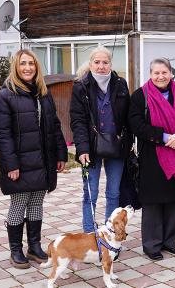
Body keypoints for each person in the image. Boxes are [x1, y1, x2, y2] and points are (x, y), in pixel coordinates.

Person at [0, 49, 68, 268]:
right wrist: (11, 164)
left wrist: (60, 153)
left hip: (42, 160)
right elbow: (2, 135)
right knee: (18, 204)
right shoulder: (5, 96)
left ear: (37, 67)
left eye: (31, 64)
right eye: (23, 63)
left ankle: (34, 246)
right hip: (19, 162)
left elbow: (54, 126)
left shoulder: (43, 93)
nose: (28, 68)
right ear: (15, 67)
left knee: (37, 203)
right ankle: (15, 250)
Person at [128, 58, 175, 261]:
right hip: (152, 154)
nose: (160, 76)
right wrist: (164, 137)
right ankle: (151, 245)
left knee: (173, 200)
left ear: (171, 73)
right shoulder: (140, 96)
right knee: (152, 202)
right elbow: (136, 124)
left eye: (164, 72)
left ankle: (170, 241)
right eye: (156, 73)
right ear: (150, 74)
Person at [70, 46, 132, 233]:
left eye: (105, 62)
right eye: (97, 62)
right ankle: (89, 232)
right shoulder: (81, 86)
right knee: (91, 193)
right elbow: (77, 120)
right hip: (90, 148)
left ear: (111, 64)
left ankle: (109, 233)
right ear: (90, 64)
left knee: (113, 193)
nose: (101, 66)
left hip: (116, 147)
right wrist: (82, 149)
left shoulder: (120, 84)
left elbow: (128, 117)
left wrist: (127, 143)